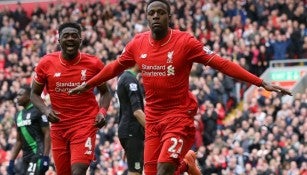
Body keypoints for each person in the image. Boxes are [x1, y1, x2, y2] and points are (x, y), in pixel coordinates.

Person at [68, 0, 292, 174]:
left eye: (160, 12)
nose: (156, 16)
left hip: (178, 116)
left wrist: (260, 82)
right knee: (154, 172)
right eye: (151, 13)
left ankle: (183, 163)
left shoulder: (185, 42)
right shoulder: (138, 43)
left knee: (164, 168)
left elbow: (221, 64)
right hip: (153, 118)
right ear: (147, 18)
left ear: (169, 16)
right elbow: (115, 67)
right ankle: (186, 164)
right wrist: (89, 84)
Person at [30, 22, 112, 175]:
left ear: (80, 40)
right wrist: (46, 110)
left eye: (74, 36)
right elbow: (34, 94)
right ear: (58, 40)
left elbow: (106, 92)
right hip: (59, 127)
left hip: (85, 124)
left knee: (78, 170)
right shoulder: (46, 63)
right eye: (66, 36)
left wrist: (102, 111)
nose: (70, 39)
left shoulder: (93, 63)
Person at [7, 85, 51, 175]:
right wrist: (11, 161)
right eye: (17, 95)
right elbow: (19, 141)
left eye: (20, 95)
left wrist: (46, 157)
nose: (17, 98)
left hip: (38, 155)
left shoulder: (38, 111)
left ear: (29, 96)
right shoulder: (18, 115)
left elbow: (47, 134)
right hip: (25, 157)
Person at [116, 64, 146, 175]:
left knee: (136, 169)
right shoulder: (130, 79)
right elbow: (137, 112)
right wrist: (154, 131)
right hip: (132, 132)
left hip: (128, 132)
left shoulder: (124, 77)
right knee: (135, 171)